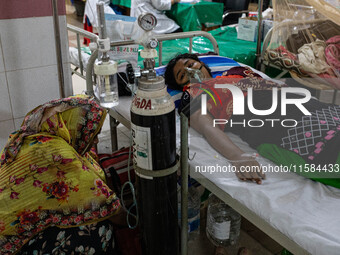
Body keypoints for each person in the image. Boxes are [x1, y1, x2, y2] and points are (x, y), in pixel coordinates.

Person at [164, 53, 340, 188]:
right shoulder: (194, 91)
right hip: (273, 122)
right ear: (181, 85)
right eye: (181, 75)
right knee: (332, 149)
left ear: (202, 63)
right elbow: (205, 125)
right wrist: (237, 156)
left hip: (305, 104)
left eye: (190, 64)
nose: (189, 71)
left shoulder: (236, 71)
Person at [0, 96, 122, 254]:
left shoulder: (34, 139)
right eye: (94, 133)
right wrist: (136, 223)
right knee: (99, 231)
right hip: (10, 244)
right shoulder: (54, 151)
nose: (96, 140)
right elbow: (100, 200)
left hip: (11, 231)